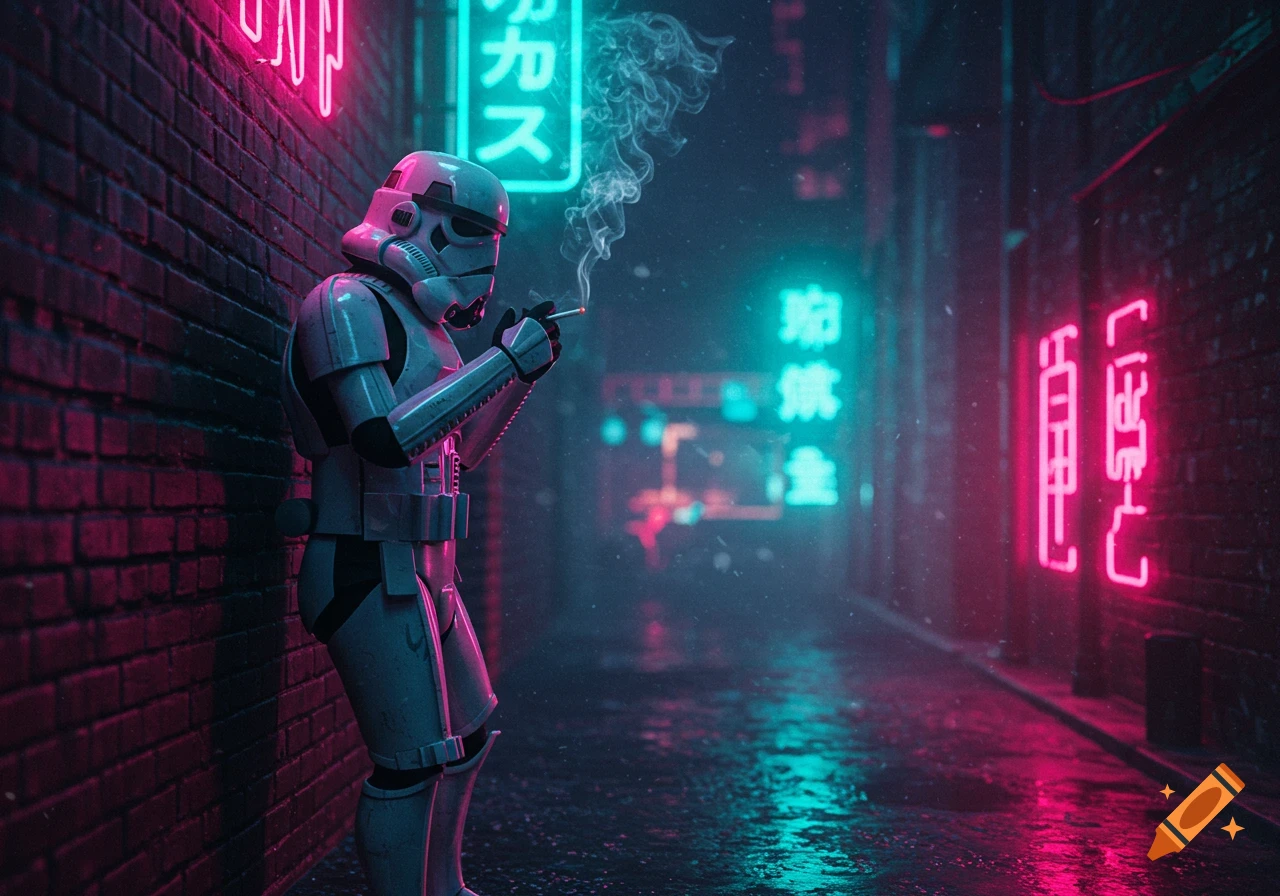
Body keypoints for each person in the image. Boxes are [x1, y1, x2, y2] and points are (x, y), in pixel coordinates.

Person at [277, 151, 560, 895]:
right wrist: (501, 363)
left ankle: (444, 888)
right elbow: (381, 438)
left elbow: (455, 451)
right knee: (410, 763)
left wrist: (516, 371)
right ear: (412, 215)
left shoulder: (428, 333)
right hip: (367, 564)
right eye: (468, 231)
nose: (479, 256)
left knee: (465, 739)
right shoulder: (344, 305)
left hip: (428, 569)